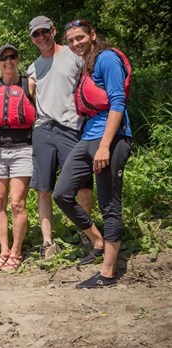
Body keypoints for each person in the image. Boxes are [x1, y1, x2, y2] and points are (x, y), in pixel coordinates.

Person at [55, 19, 132, 288]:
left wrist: (104, 146)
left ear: (92, 35)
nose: (76, 43)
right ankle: (97, 240)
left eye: (80, 37)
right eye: (71, 40)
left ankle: (108, 272)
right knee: (62, 193)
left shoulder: (107, 59)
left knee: (109, 203)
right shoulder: (86, 65)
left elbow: (117, 102)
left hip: (111, 138)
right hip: (88, 136)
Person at [27, 16, 95, 263]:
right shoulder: (33, 67)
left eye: (45, 31)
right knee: (44, 188)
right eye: (36, 34)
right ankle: (47, 242)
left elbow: (91, 83)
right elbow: (26, 96)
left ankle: (86, 234)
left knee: (83, 185)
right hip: (43, 129)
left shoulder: (74, 55)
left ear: (53, 30)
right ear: (32, 38)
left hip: (73, 128)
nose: (42, 37)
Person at [0, 45, 36, 271]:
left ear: (18, 60)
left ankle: (16, 251)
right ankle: (3, 250)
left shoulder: (29, 84)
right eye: (3, 58)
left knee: (17, 203)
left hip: (22, 148)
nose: (8, 61)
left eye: (12, 57)